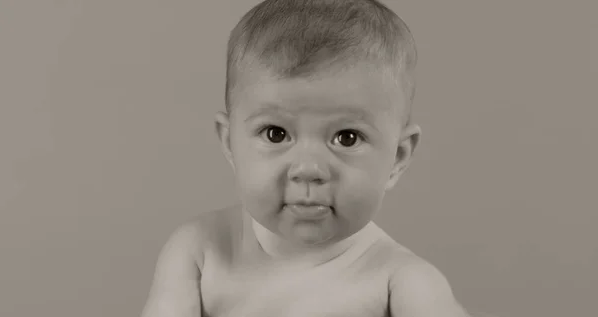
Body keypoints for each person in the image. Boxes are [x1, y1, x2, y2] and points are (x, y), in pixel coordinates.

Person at [142, 0, 471, 316]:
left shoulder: (401, 282)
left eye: (346, 138)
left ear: (397, 157)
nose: (309, 170)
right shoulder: (200, 251)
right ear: (230, 143)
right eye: (276, 134)